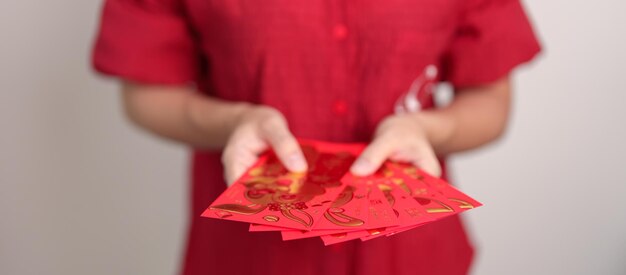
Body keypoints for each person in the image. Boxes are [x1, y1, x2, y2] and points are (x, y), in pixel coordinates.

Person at [92, 0, 540, 274]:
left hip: (411, 255)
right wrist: (233, 121)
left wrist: (430, 129)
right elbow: (147, 94)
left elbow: (490, 98)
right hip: (247, 255)